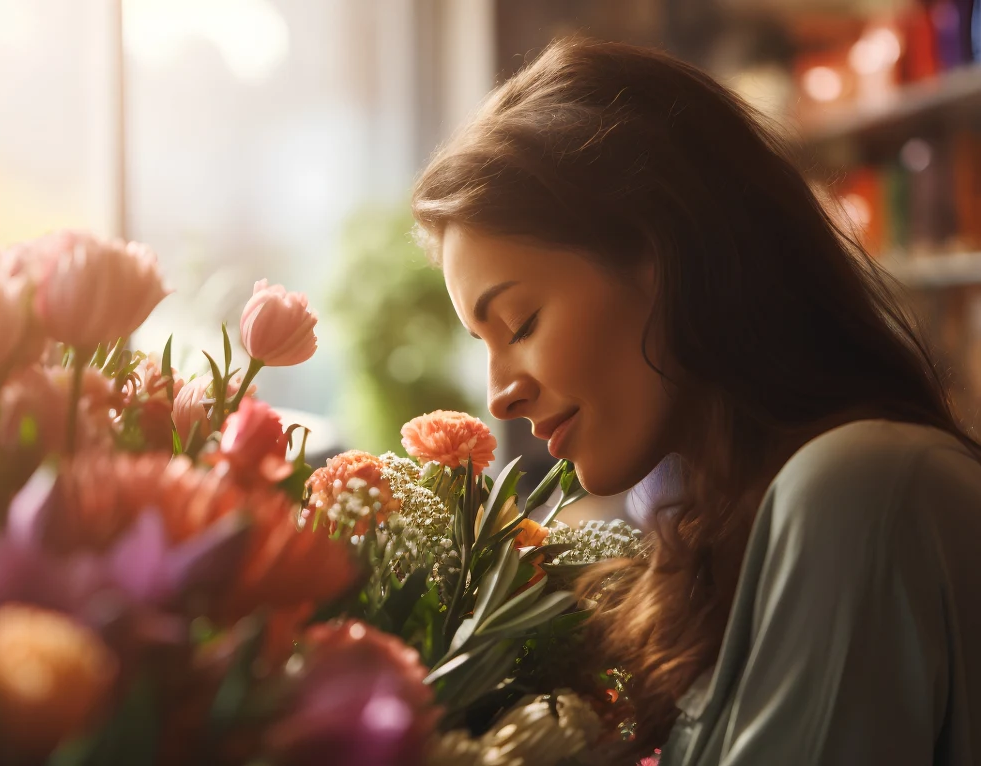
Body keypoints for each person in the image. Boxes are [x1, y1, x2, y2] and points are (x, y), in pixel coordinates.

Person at [411, 37, 981, 765]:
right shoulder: (714, 543)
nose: (499, 396)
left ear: (666, 256)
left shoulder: (863, 486)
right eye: (482, 343)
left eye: (520, 323)